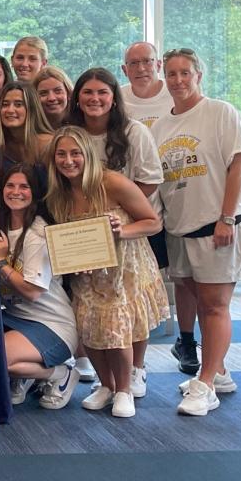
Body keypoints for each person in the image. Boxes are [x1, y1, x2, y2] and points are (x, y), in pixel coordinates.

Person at [152, 48, 241, 416]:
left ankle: (207, 382)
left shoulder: (220, 112)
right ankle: (221, 371)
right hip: (181, 228)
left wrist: (226, 218)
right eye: (171, 74)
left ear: (199, 75)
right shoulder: (162, 126)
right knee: (192, 295)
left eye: (185, 73)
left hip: (218, 226)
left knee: (214, 306)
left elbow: (238, 164)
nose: (178, 80)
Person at [45, 126, 163, 418]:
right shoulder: (58, 193)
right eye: (61, 154)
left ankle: (124, 390)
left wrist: (122, 230)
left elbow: (152, 221)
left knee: (117, 330)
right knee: (88, 328)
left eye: (75, 153)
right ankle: (106, 386)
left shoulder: (112, 182)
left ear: (87, 154)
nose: (68, 160)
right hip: (87, 273)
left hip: (123, 269)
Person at [69, 68, 167, 396]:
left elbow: (150, 180)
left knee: (129, 305)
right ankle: (108, 382)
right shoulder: (71, 134)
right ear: (78, 98)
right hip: (84, 235)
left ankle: (136, 370)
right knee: (92, 309)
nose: (95, 99)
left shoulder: (133, 132)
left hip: (123, 230)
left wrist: (118, 205)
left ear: (114, 98)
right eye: (88, 93)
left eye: (102, 93)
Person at [0, 165, 79, 410]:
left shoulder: (38, 233)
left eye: (24, 187)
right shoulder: (0, 226)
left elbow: (31, 292)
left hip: (52, 326)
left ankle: (60, 374)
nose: (16, 192)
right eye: (10, 185)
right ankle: (25, 374)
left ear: (35, 192)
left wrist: (1, 262)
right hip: (16, 319)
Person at [0, 80, 54, 170]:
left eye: (18, 104)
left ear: (32, 109)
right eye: (5, 104)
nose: (10, 110)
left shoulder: (47, 144)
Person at [119, 41, 174, 128]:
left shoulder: (175, 93)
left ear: (159, 66)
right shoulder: (116, 98)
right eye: (133, 63)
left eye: (147, 61)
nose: (141, 69)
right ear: (124, 70)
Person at [34, 66, 73, 130]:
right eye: (43, 93)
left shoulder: (83, 123)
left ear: (68, 93)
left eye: (58, 91)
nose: (51, 98)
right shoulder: (30, 128)